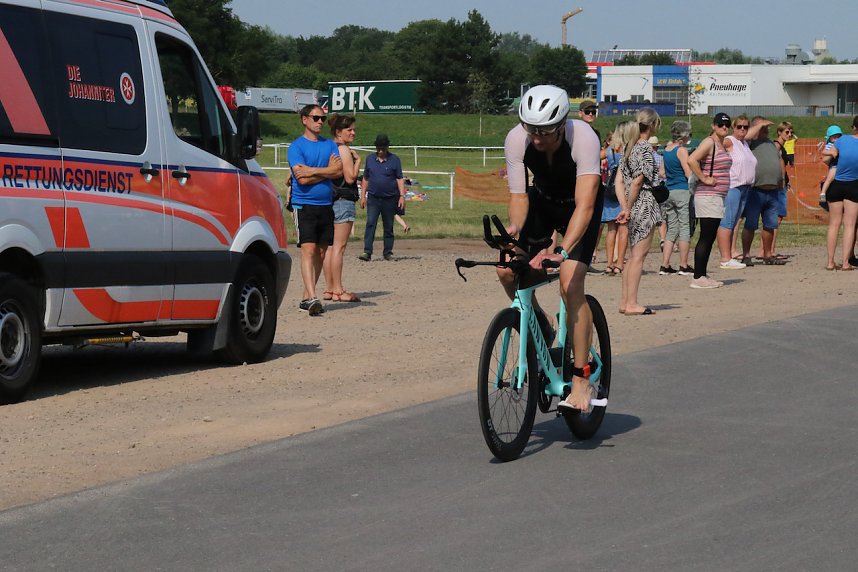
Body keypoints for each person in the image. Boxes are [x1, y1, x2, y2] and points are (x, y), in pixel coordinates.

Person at [501, 85, 602, 413]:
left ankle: (582, 379)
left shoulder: (584, 137)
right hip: (544, 203)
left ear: (561, 124)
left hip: (579, 207)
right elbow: (519, 196)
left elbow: (586, 204)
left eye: (544, 131)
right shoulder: (517, 139)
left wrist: (565, 250)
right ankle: (542, 325)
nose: (536, 138)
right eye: (531, 129)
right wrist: (515, 227)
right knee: (506, 268)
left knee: (569, 282)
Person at [288, 104, 342, 316]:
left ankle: (306, 297)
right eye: (316, 118)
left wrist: (313, 171)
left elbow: (338, 171)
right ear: (304, 119)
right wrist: (325, 172)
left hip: (325, 205)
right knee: (308, 250)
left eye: (322, 118)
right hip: (304, 204)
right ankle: (312, 296)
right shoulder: (296, 147)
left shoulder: (330, 145)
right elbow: (300, 177)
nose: (320, 122)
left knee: (321, 251)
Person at [615, 107, 662, 313]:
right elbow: (637, 181)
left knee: (632, 255)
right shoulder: (644, 149)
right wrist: (630, 207)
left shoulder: (629, 147)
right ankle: (632, 302)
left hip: (631, 204)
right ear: (652, 125)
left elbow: (618, 181)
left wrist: (624, 206)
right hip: (643, 203)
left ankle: (625, 302)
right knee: (638, 256)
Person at [687, 112, 732, 288]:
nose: (724, 128)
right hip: (708, 195)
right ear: (713, 126)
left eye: (727, 125)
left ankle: (702, 274)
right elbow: (692, 160)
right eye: (721, 124)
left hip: (716, 197)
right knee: (706, 236)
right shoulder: (709, 142)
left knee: (710, 235)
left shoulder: (721, 144)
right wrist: (705, 178)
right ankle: (698, 277)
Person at [321, 114, 361, 302]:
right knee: (339, 247)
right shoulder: (343, 149)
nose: (353, 133)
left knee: (329, 248)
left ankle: (329, 289)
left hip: (329, 199)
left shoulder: (328, 147)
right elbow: (350, 178)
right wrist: (358, 161)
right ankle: (338, 289)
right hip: (343, 200)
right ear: (339, 132)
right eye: (349, 130)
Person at [741, 116, 786, 266]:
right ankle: (746, 255)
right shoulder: (748, 143)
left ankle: (767, 254)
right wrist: (759, 126)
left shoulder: (770, 144)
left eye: (767, 128)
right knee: (751, 224)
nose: (766, 130)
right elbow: (746, 134)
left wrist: (780, 180)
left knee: (770, 225)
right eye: (763, 128)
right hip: (756, 190)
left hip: (773, 190)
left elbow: (776, 162)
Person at [717, 114, 760, 269]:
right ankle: (725, 258)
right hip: (733, 186)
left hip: (746, 188)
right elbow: (716, 142)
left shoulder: (745, 144)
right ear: (733, 127)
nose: (742, 129)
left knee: (734, 222)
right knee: (727, 221)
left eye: (745, 127)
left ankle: (730, 255)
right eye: (739, 126)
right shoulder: (730, 140)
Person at [358, 134, 406, 261]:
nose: (380, 152)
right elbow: (366, 178)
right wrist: (363, 196)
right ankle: (367, 251)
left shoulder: (395, 160)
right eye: (378, 149)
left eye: (383, 149)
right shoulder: (369, 159)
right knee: (370, 224)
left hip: (389, 198)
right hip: (373, 198)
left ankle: (388, 252)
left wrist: (402, 196)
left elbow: (399, 178)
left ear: (387, 148)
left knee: (388, 226)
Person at [823, 116, 858, 270]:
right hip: (853, 185)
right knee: (849, 225)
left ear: (854, 127)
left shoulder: (842, 140)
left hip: (836, 184)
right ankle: (845, 262)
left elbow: (828, 155)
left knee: (834, 224)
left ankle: (830, 262)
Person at [659, 120, 694, 276]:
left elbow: (661, 173)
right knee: (684, 227)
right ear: (684, 135)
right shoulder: (682, 150)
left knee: (671, 228)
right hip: (682, 190)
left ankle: (665, 265)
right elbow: (688, 173)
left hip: (669, 191)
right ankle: (683, 264)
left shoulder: (666, 150)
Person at [602, 124, 629, 275]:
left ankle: (609, 263)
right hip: (622, 191)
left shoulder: (608, 151)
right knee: (623, 228)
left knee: (611, 230)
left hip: (609, 191)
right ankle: (619, 263)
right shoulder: (626, 151)